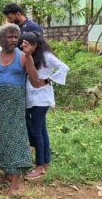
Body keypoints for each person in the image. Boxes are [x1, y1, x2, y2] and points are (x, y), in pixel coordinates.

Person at [0, 24, 43, 195]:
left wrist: (30, 58)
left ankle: (15, 185)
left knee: (17, 141)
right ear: (1, 39)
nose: (13, 40)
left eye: (16, 37)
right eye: (9, 37)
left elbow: (35, 82)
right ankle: (8, 173)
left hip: (16, 106)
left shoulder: (23, 57)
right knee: (1, 139)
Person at [20, 32, 69, 180]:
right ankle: (45, 161)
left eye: (26, 44)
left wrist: (48, 80)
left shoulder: (46, 56)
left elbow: (64, 68)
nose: (23, 45)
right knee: (41, 129)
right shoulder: (29, 55)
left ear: (34, 45)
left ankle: (39, 166)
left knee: (36, 131)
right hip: (32, 97)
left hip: (42, 98)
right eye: (22, 43)